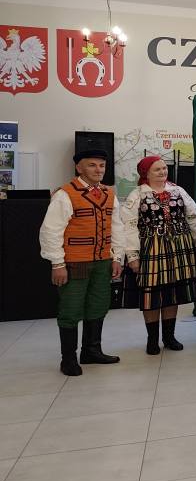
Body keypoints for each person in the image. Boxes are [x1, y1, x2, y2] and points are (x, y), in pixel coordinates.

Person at [40, 148, 125, 376]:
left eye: (102, 166)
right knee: (71, 308)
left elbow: (117, 227)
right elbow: (50, 231)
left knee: (98, 305)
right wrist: (57, 264)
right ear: (79, 167)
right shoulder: (65, 194)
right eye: (92, 165)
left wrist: (117, 257)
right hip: (74, 262)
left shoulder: (109, 193)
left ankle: (91, 351)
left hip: (102, 261)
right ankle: (68, 359)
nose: (98, 170)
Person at [121, 156, 196, 355]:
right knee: (151, 294)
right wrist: (132, 255)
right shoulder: (137, 195)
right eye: (157, 169)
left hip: (178, 247)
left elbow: (193, 216)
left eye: (164, 168)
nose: (162, 172)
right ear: (146, 173)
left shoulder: (178, 190)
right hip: (151, 247)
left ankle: (169, 337)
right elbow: (129, 226)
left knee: (172, 293)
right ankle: (152, 340)